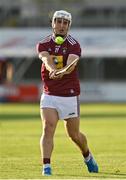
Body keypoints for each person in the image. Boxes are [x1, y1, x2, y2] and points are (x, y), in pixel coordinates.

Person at [36, 10, 98, 176]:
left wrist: (61, 72)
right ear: (53, 23)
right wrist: (51, 70)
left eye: (65, 23)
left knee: (74, 135)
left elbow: (71, 64)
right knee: (48, 128)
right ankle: (46, 168)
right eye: (59, 22)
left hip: (69, 95)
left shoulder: (74, 44)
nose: (61, 26)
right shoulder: (43, 43)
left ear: (69, 26)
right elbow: (46, 59)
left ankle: (87, 155)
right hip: (49, 93)